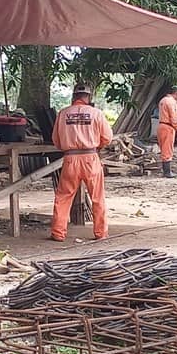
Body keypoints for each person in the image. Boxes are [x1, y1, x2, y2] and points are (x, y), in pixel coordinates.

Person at [50, 83, 113, 242]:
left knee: (63, 196)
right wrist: (96, 145)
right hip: (91, 158)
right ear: (88, 97)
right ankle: (100, 233)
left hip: (70, 159)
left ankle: (58, 233)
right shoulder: (96, 113)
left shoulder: (63, 114)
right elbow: (107, 138)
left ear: (74, 96)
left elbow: (56, 140)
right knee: (97, 197)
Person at [157, 86, 177, 178]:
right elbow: (173, 118)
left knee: (163, 148)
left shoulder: (163, 100)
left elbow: (167, 113)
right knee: (168, 148)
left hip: (161, 125)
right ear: (176, 93)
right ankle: (167, 172)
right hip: (168, 127)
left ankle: (166, 170)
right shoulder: (172, 102)